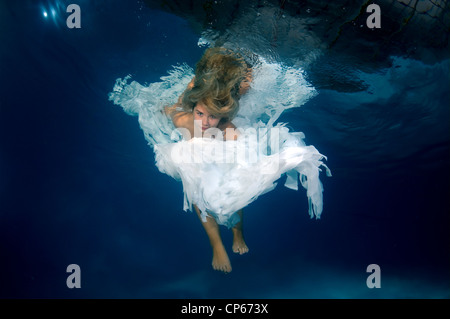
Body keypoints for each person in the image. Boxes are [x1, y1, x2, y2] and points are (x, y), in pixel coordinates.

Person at [164, 47, 252, 273]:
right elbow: (169, 109)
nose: (203, 123)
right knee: (196, 185)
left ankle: (237, 232)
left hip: (232, 90)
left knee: (232, 189)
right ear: (194, 110)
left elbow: (240, 173)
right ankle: (216, 244)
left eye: (212, 117)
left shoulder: (228, 130)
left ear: (223, 117)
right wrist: (166, 110)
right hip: (197, 93)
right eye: (200, 114)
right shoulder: (184, 120)